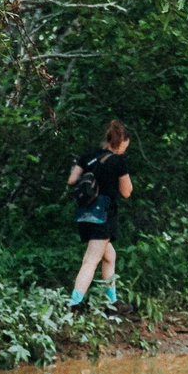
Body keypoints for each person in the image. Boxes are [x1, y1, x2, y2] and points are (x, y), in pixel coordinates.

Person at [66, 119, 135, 309]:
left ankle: (111, 302)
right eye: (125, 146)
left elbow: (72, 180)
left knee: (109, 256)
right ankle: (74, 304)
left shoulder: (89, 156)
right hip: (103, 214)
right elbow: (126, 192)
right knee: (90, 260)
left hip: (84, 213)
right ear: (121, 142)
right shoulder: (118, 160)